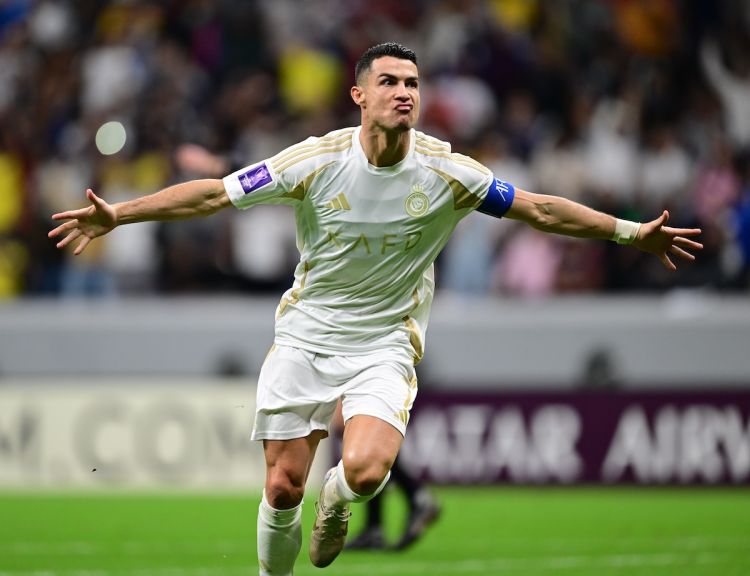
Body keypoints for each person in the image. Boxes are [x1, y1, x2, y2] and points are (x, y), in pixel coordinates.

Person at [49, 42, 703, 575]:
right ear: (359, 95)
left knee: (364, 471)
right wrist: (119, 215)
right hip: (306, 335)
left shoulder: (448, 172)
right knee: (281, 489)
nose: (404, 92)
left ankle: (337, 501)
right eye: (388, 82)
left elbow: (540, 209)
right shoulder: (316, 161)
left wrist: (630, 232)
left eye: (412, 83)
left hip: (386, 341)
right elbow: (214, 195)